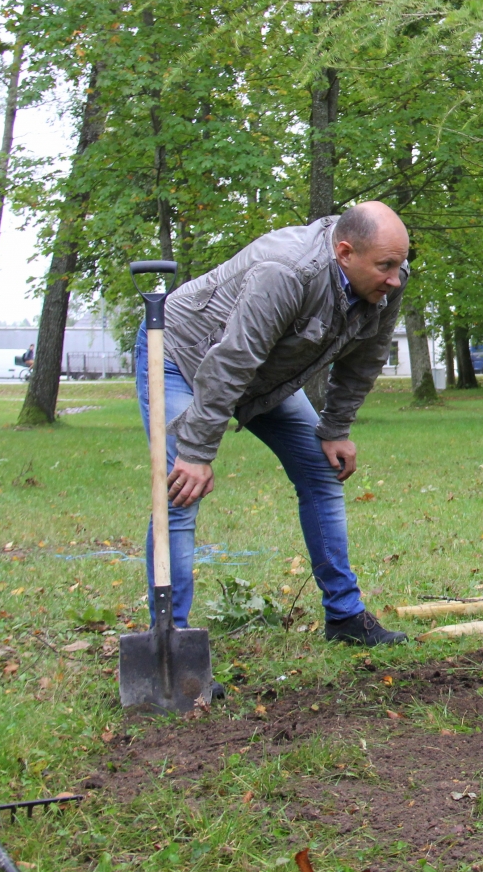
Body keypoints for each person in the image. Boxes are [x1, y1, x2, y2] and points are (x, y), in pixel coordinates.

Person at [137, 201, 411, 647]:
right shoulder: (286, 271)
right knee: (180, 492)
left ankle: (345, 617)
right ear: (345, 252)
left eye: (400, 264)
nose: (395, 278)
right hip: (182, 357)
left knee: (321, 473)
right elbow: (232, 359)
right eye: (386, 266)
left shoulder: (388, 280)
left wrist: (336, 428)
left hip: (264, 374)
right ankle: (172, 640)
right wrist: (197, 452)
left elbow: (366, 358)